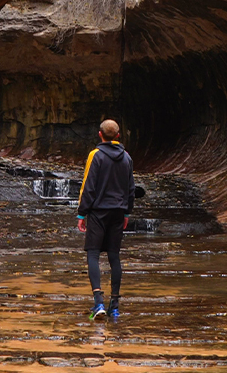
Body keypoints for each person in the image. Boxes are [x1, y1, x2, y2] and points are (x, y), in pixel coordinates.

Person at [76, 119, 134, 322]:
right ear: (118, 136)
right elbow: (130, 189)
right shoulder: (127, 158)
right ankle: (115, 307)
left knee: (93, 254)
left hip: (99, 211)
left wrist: (82, 213)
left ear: (100, 135)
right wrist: (127, 213)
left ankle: (98, 302)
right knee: (114, 256)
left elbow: (88, 185)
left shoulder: (96, 155)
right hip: (118, 212)